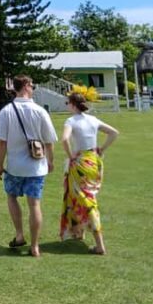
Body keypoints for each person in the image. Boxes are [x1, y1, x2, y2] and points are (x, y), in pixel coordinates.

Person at [0, 75, 57, 257]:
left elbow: (1, 143)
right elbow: (49, 141)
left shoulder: (6, 111)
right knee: (34, 204)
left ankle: (20, 234)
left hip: (14, 166)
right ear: (27, 87)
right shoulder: (40, 111)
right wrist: (51, 161)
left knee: (12, 197)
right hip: (36, 166)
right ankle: (35, 246)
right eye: (33, 86)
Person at [60, 91, 119, 255]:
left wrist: (71, 155)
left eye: (67, 103)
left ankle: (99, 245)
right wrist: (101, 149)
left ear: (73, 104)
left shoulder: (71, 121)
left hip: (80, 163)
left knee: (86, 200)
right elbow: (114, 133)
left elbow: (64, 139)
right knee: (81, 196)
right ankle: (79, 231)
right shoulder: (93, 119)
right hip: (93, 161)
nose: (67, 106)